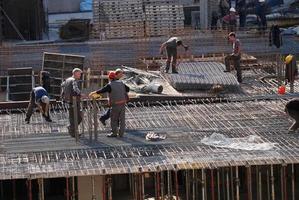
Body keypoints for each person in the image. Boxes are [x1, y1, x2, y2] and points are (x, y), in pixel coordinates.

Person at [89, 71, 129, 137]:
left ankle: (114, 133)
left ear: (110, 78)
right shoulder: (122, 83)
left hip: (115, 105)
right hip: (123, 103)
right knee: (122, 119)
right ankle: (121, 133)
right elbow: (128, 89)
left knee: (114, 119)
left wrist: (94, 92)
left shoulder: (110, 85)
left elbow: (102, 90)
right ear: (116, 77)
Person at [61, 68, 83, 137]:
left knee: (72, 117)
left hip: (69, 101)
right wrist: (81, 94)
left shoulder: (67, 80)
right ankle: (72, 129)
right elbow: (75, 89)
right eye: (79, 74)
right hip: (74, 101)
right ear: (75, 73)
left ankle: (72, 130)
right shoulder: (74, 80)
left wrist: (63, 98)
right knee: (78, 117)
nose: (80, 75)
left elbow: (62, 89)